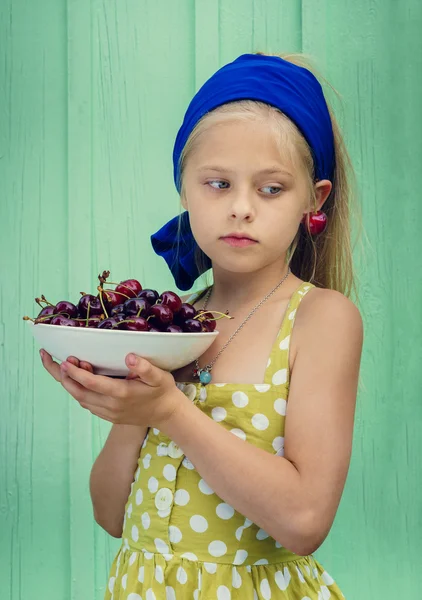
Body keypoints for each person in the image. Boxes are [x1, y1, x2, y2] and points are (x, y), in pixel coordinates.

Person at [41, 52, 364, 599]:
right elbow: (110, 514)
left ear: (315, 199)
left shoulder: (319, 319)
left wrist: (170, 412)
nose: (241, 208)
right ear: (184, 189)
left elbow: (306, 520)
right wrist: (130, 403)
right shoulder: (171, 325)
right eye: (217, 184)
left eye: (270, 189)